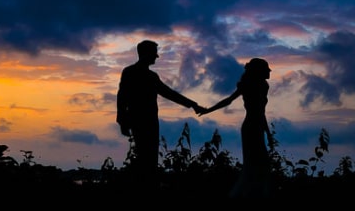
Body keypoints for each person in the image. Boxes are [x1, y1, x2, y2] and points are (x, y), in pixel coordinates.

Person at [116, 40, 204, 180]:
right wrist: (122, 120)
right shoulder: (135, 74)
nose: (156, 56)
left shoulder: (146, 75)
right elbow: (122, 98)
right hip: (143, 122)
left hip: (148, 122)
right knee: (146, 159)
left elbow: (169, 93)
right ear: (145, 54)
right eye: (154, 53)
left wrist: (193, 104)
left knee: (148, 159)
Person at [198, 57, 273, 198]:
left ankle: (257, 194)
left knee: (262, 164)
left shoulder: (264, 86)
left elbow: (261, 112)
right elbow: (229, 100)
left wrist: (267, 133)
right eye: (266, 70)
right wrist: (209, 110)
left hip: (257, 126)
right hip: (251, 127)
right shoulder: (249, 85)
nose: (269, 73)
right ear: (259, 72)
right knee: (256, 163)